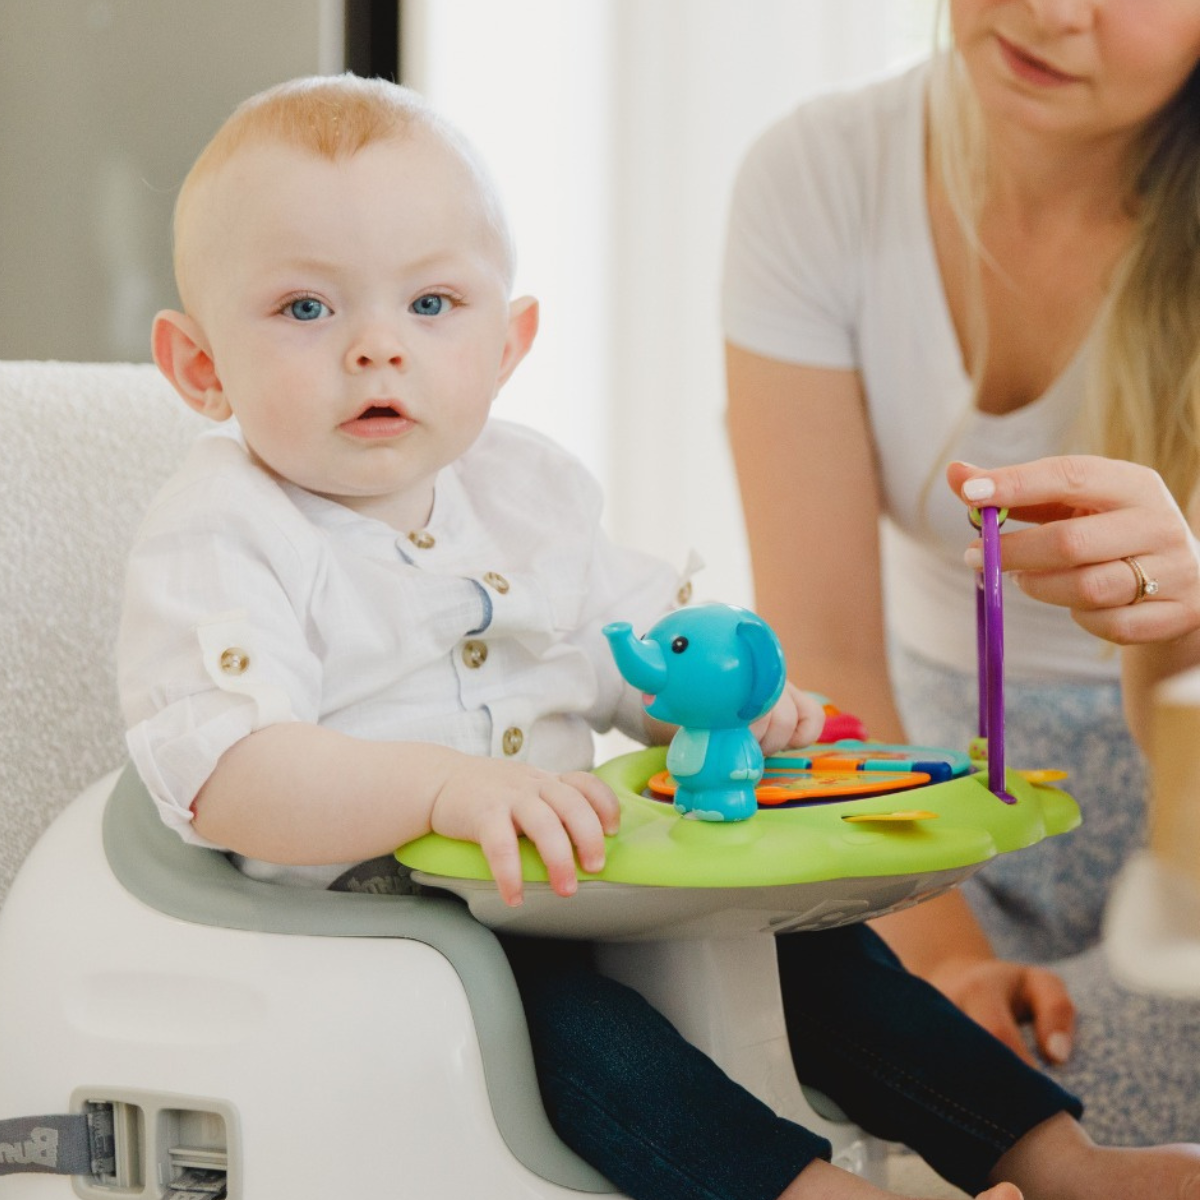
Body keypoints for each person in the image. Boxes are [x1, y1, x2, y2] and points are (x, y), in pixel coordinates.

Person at [117, 73, 1200, 1200]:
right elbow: (224, 773)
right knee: (576, 1036)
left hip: (567, 893)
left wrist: (733, 704)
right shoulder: (223, 533)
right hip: (386, 948)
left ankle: (1063, 1162)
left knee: (818, 958)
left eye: (431, 305)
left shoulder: (525, 491)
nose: (376, 348)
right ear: (200, 368)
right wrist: (441, 790)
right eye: (307, 309)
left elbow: (632, 652)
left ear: (509, 342)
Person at [723, 0, 1200, 1150]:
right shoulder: (822, 173)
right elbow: (826, 643)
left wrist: (1184, 617)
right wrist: (945, 958)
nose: (1051, 10)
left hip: (1175, 799)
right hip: (919, 777)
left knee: (1089, 1118)